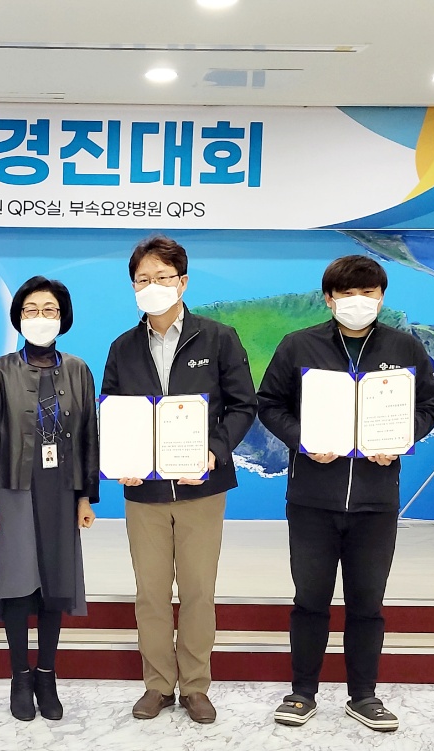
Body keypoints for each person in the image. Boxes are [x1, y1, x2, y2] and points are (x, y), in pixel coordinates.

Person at [257, 255, 434, 732]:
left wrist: (401, 438)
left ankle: (364, 696)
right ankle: (302, 692)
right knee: (310, 600)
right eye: (347, 294)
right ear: (329, 299)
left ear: (381, 297)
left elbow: (429, 403)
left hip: (376, 501)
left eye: (368, 293)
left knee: (367, 603)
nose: (358, 301)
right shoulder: (299, 345)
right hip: (312, 499)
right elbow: (269, 403)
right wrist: (302, 440)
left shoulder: (404, 346)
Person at [101, 235, 257, 724]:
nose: (152, 286)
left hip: (201, 488)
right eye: (142, 279)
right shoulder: (123, 347)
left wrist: (215, 450)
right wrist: (120, 458)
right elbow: (112, 412)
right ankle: (157, 685)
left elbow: (243, 405)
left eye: (162, 277)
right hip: (143, 492)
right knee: (150, 594)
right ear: (133, 287)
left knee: (197, 592)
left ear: (182, 282)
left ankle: (194, 686)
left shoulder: (218, 338)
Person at [0, 276, 98, 722]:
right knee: (18, 586)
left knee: (54, 589)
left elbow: (89, 437)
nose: (40, 318)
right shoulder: (0, 370)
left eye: (49, 310)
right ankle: (20, 678)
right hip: (12, 489)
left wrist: (86, 497)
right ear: (18, 317)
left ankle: (47, 675)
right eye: (31, 310)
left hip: (61, 491)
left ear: (63, 317)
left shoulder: (78, 370)